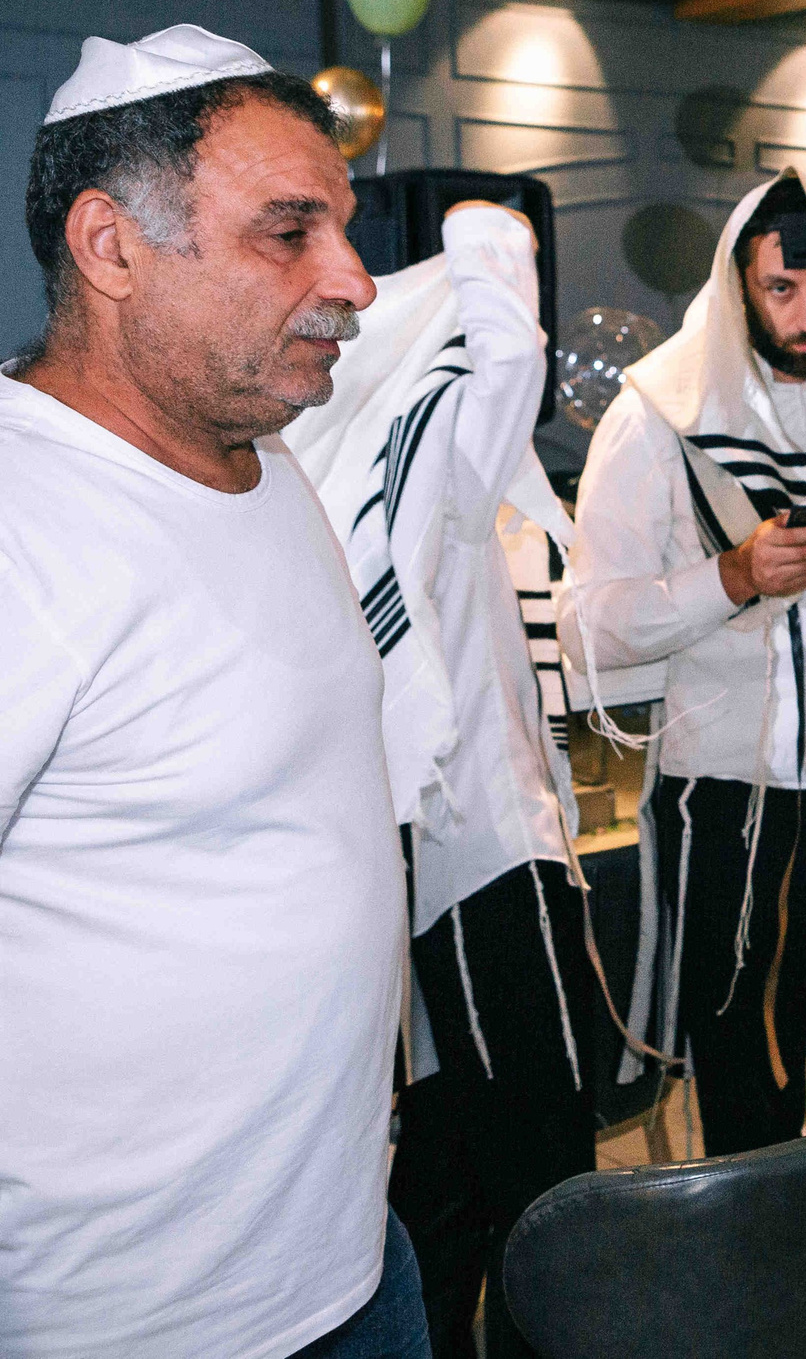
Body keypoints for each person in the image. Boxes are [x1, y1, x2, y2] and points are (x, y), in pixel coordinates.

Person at [0, 27, 423, 1357]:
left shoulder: (255, 456)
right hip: (131, 1318)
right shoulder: (23, 520)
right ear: (111, 246)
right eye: (289, 232)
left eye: (343, 229)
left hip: (347, 1254)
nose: (355, 279)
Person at [283, 201, 595, 1359]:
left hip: (390, 862)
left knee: (447, 1170)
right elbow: (507, 349)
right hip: (486, 854)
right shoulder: (439, 467)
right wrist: (482, 231)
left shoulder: (302, 466)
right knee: (545, 1180)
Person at [565, 169, 806, 1154]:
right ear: (740, 286)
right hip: (733, 789)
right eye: (782, 289)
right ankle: (760, 1246)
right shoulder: (658, 411)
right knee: (742, 1070)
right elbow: (589, 628)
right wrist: (731, 576)